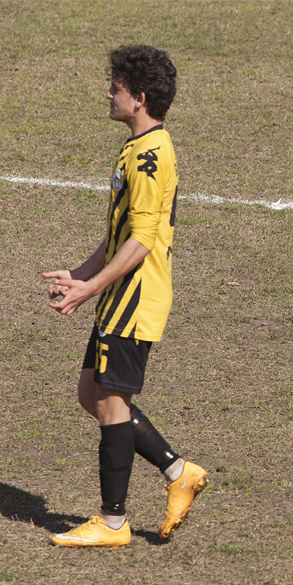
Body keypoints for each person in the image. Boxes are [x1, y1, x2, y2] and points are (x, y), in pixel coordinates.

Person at [43, 45, 207, 547]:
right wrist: (81, 273)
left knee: (112, 402)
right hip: (119, 293)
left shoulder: (151, 158)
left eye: (115, 88)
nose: (107, 93)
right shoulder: (137, 148)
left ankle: (113, 521)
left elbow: (141, 242)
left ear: (138, 98)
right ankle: (179, 471)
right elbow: (118, 235)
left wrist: (92, 286)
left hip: (135, 296)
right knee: (91, 393)